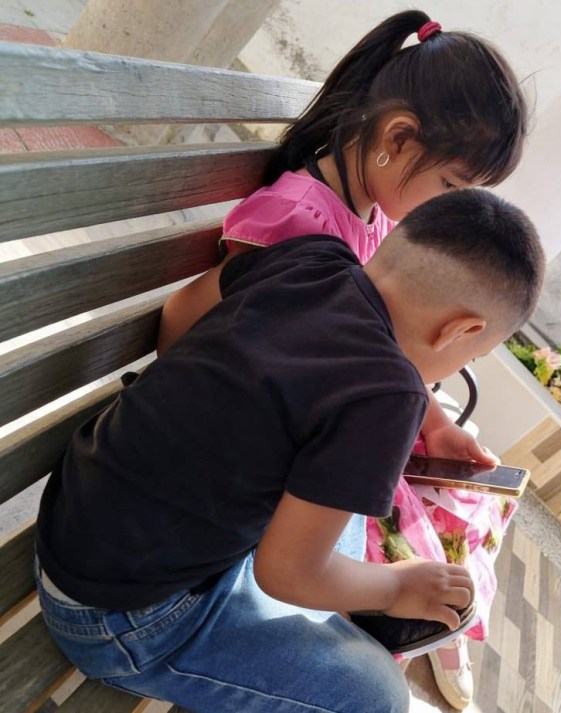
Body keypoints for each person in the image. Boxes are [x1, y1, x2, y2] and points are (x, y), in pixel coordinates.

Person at [36, 189, 544, 713]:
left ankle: (338, 612)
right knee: (378, 698)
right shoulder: (388, 398)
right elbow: (285, 574)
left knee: (341, 504)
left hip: (75, 521)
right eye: (474, 356)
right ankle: (349, 621)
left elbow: (180, 313)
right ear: (462, 331)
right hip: (124, 620)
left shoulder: (312, 256)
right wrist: (396, 590)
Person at [157, 10, 528, 709]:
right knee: (386, 604)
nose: (450, 208)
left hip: (260, 476)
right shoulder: (300, 227)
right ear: (397, 139)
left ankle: (418, 627)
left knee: (428, 517)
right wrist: (194, 412)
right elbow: (191, 327)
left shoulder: (368, 220)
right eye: (453, 186)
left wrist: (434, 424)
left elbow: (360, 344)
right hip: (221, 491)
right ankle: (410, 629)